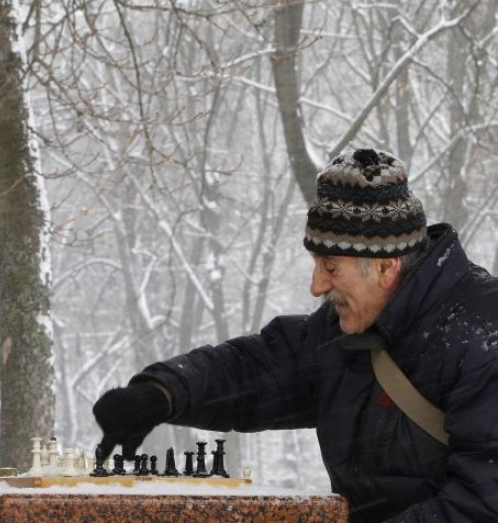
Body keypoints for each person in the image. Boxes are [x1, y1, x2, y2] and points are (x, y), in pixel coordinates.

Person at [93, 148, 498, 522]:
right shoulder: (347, 332)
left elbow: (481, 505)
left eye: (331, 266)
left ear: (385, 267)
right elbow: (258, 370)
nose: (317, 286)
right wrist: (163, 393)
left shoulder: (484, 336)